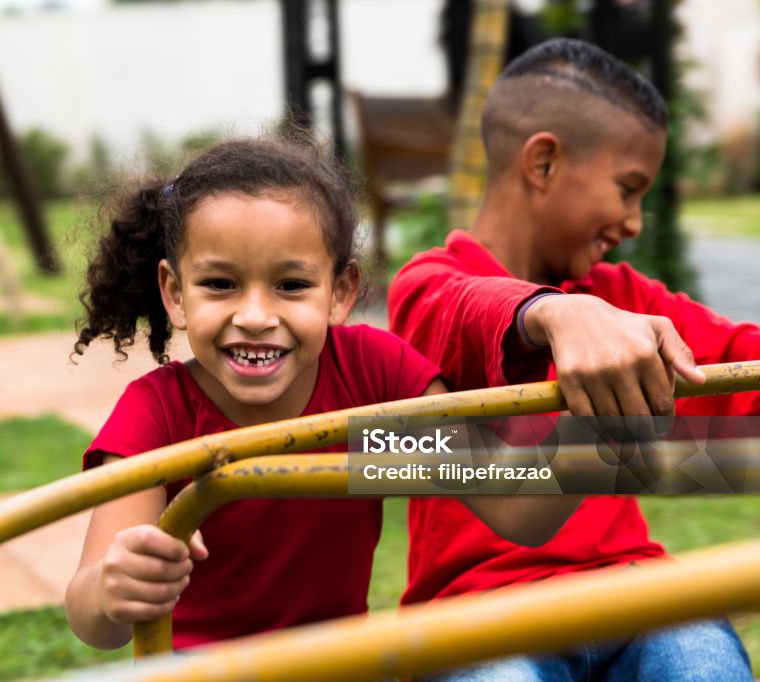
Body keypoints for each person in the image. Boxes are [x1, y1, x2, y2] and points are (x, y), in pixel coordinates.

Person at [63, 137, 577, 651]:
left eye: (291, 285)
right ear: (175, 293)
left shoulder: (374, 377)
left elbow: (516, 507)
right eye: (220, 284)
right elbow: (94, 620)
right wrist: (113, 587)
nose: (256, 317)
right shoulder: (157, 413)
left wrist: (603, 409)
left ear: (340, 293)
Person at [388, 38, 756, 680]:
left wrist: (587, 309)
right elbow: (466, 307)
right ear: (544, 162)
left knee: (702, 659)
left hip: (632, 590)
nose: (635, 221)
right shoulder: (427, 286)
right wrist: (555, 313)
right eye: (628, 188)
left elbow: (738, 363)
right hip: (480, 610)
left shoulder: (624, 297)